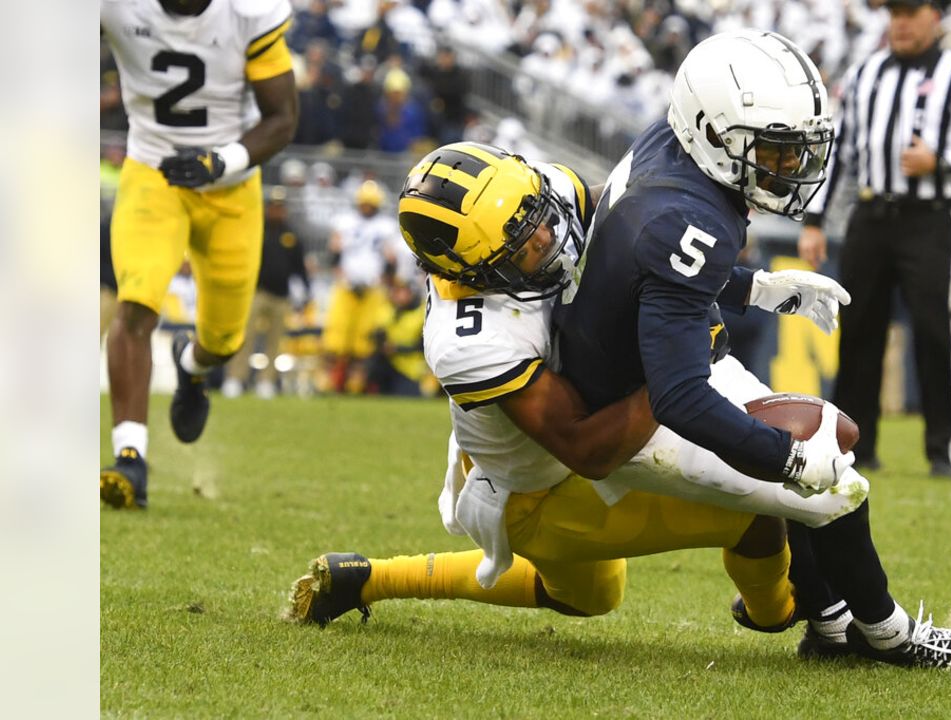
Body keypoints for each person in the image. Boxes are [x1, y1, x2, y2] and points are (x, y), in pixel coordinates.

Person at [287, 142, 866, 650]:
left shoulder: (536, 196)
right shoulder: (471, 338)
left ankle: (368, 578)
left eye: (538, 217)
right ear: (472, 273)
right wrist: (671, 365)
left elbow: (637, 251)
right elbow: (588, 450)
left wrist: (752, 287)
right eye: (523, 248)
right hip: (540, 486)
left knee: (736, 497)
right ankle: (778, 612)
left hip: (570, 434)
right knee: (615, 582)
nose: (547, 237)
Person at [556, 30, 951, 670]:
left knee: (805, 433)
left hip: (630, 369)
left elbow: (655, 273)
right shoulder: (691, 217)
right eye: (776, 151)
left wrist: (760, 289)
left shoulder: (669, 143)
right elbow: (680, 395)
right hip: (627, 414)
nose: (790, 169)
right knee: (832, 480)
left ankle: (827, 623)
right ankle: (888, 637)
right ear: (714, 132)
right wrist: (786, 462)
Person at [100, 0, 299, 509]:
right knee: (137, 301)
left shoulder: (247, 12)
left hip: (230, 185)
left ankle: (191, 366)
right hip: (153, 171)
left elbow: (282, 118)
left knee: (225, 339)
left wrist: (221, 159)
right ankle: (130, 457)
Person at [797, 0, 951, 479]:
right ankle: (853, 446)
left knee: (934, 330)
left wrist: (940, 160)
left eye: (911, 12)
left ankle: (942, 450)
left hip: (931, 218)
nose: (901, 23)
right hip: (871, 213)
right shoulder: (867, 72)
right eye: (894, 13)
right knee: (860, 329)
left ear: (935, 16)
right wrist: (814, 219)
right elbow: (838, 152)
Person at [223, 186, 310, 400]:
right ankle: (235, 378)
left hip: (281, 296)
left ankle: (266, 382)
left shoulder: (291, 235)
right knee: (245, 337)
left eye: (279, 207)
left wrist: (306, 291)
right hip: (257, 293)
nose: (276, 211)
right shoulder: (256, 230)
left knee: (275, 341)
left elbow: (299, 267)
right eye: (272, 206)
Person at [321, 180, 399, 394]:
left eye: (369, 203)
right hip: (345, 286)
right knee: (336, 335)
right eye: (364, 203)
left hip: (372, 289)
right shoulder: (344, 222)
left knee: (364, 339)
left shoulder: (385, 226)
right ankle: (330, 380)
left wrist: (384, 282)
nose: (366, 207)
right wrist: (340, 274)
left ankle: (356, 381)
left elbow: (390, 259)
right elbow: (334, 253)